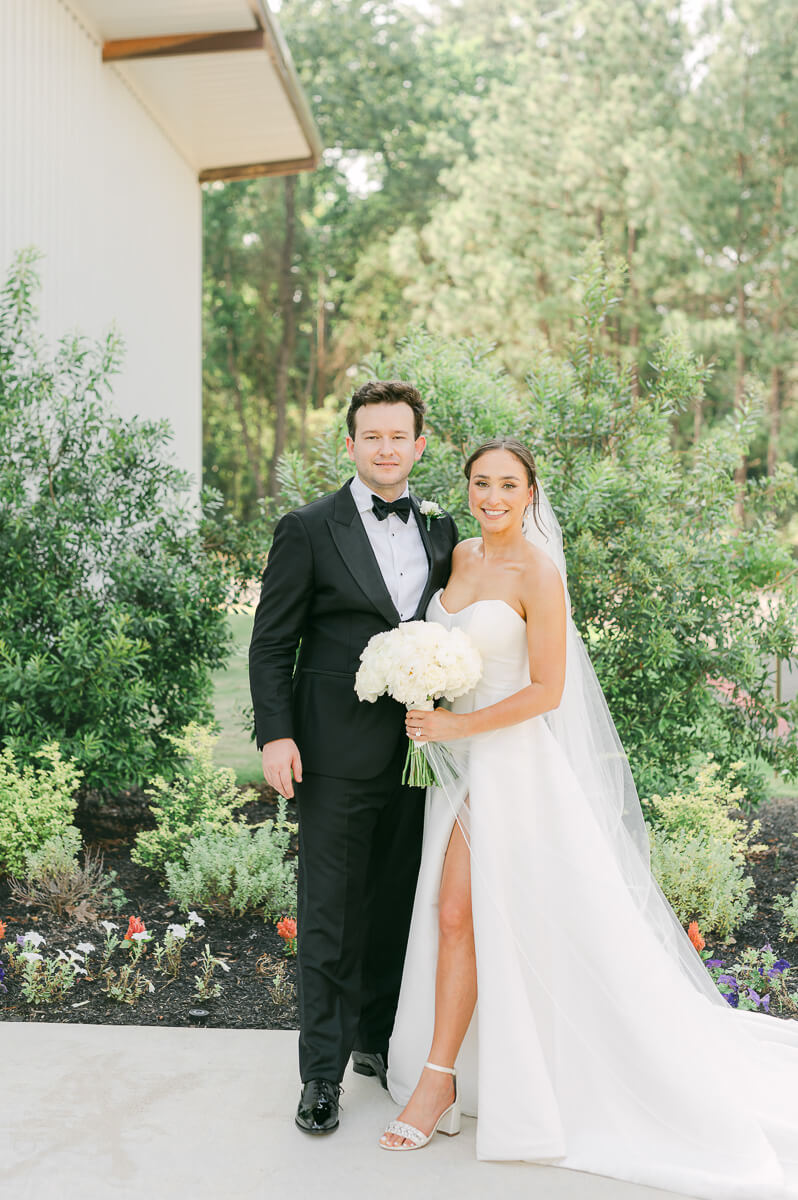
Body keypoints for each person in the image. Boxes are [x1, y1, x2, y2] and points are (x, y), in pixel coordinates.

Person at [380, 438, 798, 1200]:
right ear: (467, 488)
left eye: (509, 484)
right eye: (481, 482)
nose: (493, 496)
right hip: (457, 765)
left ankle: (437, 1081)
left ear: (531, 493)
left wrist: (458, 730)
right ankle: (453, 1069)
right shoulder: (461, 556)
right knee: (463, 921)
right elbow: (452, 651)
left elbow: (546, 691)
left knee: (457, 913)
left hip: (510, 767)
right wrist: (426, 694)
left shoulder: (539, 573)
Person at [248, 380, 458, 1136]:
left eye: (399, 436)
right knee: (331, 915)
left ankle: (376, 1041)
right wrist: (277, 734)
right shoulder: (307, 528)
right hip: (332, 753)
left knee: (399, 906)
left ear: (419, 445)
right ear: (350, 444)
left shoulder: (441, 528)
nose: (386, 448)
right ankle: (320, 1075)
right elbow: (272, 641)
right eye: (371, 436)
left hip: (421, 756)